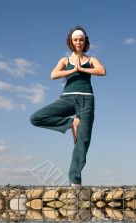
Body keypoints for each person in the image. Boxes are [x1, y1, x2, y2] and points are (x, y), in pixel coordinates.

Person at [30, 26, 106, 186]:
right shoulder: (65, 60)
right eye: (75, 39)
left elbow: (102, 71)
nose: (78, 42)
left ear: (85, 42)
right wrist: (72, 71)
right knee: (36, 118)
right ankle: (71, 123)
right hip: (67, 99)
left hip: (86, 100)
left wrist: (83, 68)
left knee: (83, 140)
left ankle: (75, 182)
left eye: (81, 39)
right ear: (71, 42)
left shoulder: (91, 60)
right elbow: (53, 75)